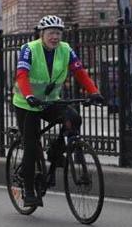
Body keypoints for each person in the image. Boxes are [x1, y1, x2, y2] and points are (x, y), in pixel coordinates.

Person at [13, 15, 105, 207]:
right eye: (51, 33)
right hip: (26, 103)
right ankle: (29, 191)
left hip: (50, 101)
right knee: (31, 145)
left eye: (58, 33)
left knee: (74, 118)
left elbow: (80, 72)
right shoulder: (29, 49)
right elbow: (22, 75)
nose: (55, 37)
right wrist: (29, 95)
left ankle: (55, 152)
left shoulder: (66, 50)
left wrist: (94, 92)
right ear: (42, 34)